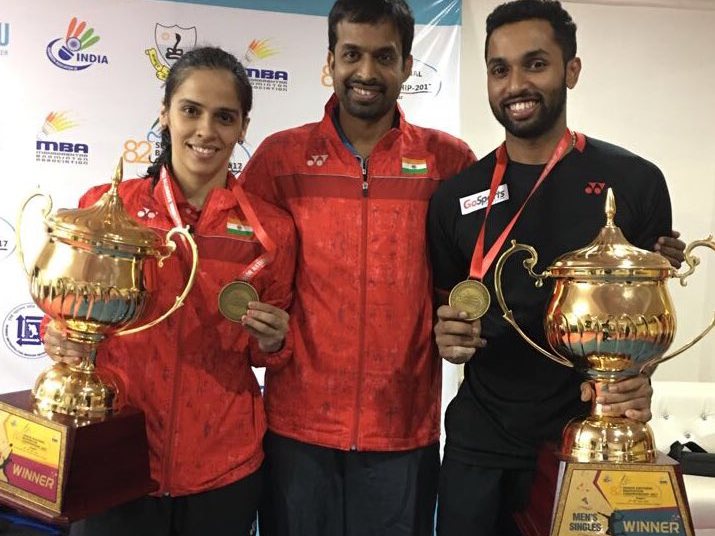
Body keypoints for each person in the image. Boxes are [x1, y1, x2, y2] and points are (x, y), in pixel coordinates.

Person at [428, 2, 685, 535]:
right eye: (500, 69)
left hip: (587, 438)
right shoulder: (456, 198)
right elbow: (445, 304)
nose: (515, 83)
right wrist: (446, 333)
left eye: (535, 63)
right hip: (480, 443)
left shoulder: (634, 184)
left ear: (571, 69)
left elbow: (644, 321)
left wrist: (637, 378)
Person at [239, 1, 476, 534]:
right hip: (296, 430)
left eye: (383, 56)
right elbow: (231, 262)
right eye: (352, 55)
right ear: (330, 61)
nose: (366, 73)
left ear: (408, 65)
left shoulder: (450, 162)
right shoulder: (280, 160)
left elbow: (491, 263)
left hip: (403, 431)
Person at [42, 46, 296, 536]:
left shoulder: (272, 231)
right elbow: (71, 316)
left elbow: (272, 353)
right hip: (117, 459)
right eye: (190, 110)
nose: (206, 131)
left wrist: (274, 340)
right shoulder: (108, 210)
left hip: (224, 468)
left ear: (244, 127)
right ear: (164, 113)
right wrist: (62, 337)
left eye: (225, 117)